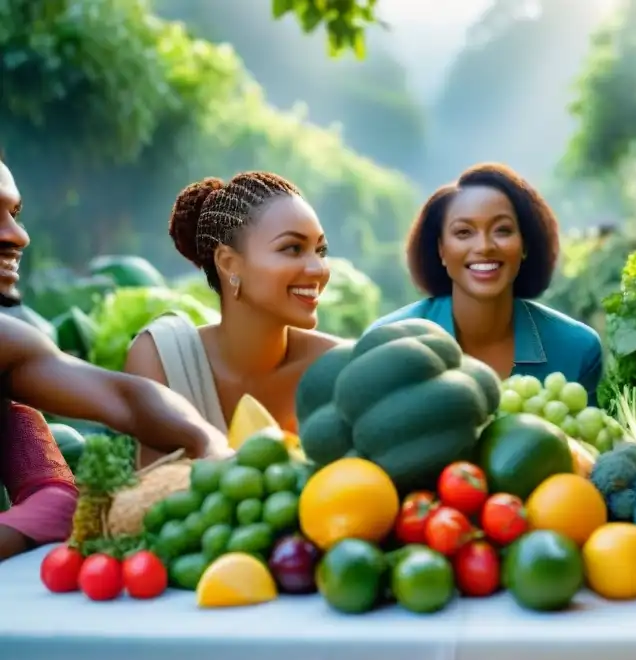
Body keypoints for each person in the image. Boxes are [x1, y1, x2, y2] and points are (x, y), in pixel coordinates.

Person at [0, 156, 228, 560]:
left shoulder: (8, 343)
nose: (18, 236)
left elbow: (125, 398)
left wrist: (208, 444)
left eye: (15, 214)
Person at [123, 172, 340, 467]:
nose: (318, 269)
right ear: (229, 264)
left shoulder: (339, 367)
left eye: (320, 250)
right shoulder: (163, 360)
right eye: (292, 248)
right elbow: (152, 498)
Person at [372, 163, 604, 402]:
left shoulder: (578, 349)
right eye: (463, 232)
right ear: (441, 249)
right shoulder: (387, 343)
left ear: (525, 244)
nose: (484, 247)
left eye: (502, 230)